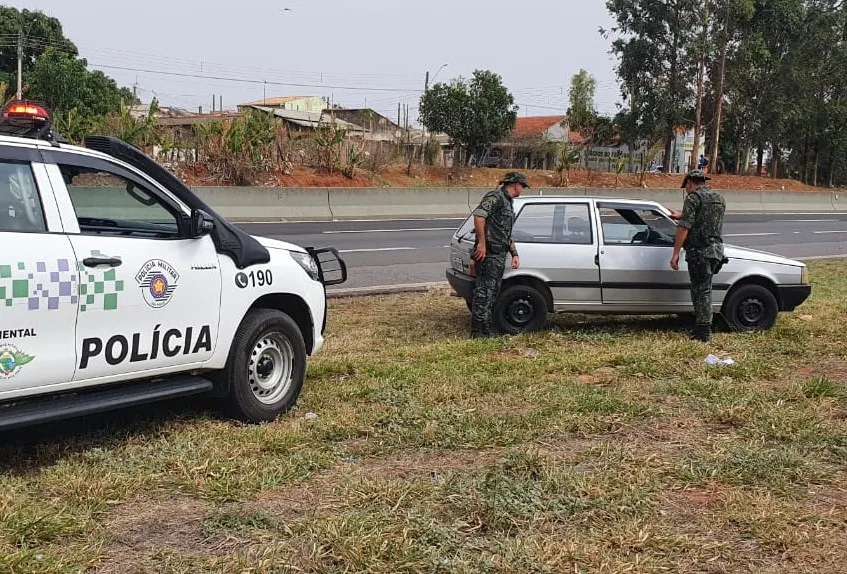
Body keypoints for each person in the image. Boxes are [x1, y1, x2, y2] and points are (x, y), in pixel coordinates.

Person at [669, 169, 727, 342]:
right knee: (705, 289)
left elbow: (684, 227)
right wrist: (682, 214)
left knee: (700, 291)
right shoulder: (719, 198)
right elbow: (706, 219)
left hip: (700, 252)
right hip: (716, 251)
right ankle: (701, 327)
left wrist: (676, 253)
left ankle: (703, 332)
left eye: (685, 186)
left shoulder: (693, 198)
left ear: (689, 182)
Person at [469, 172, 527, 338]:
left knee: (492, 294)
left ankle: (486, 330)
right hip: (489, 255)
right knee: (483, 293)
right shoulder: (496, 197)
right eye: (522, 186)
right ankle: (477, 331)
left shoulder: (508, 203)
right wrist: (482, 243)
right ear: (516, 184)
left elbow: (505, 232)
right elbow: (479, 216)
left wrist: (514, 253)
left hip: (499, 254)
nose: (522, 190)